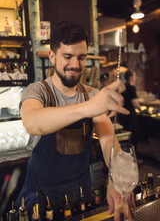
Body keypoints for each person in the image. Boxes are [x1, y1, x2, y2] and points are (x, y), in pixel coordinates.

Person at [16, 21, 132, 221]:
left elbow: (108, 140)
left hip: (81, 196)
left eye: (81, 57)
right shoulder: (37, 91)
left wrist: (117, 176)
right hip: (41, 201)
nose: (76, 65)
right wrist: (90, 107)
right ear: (52, 56)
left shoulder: (91, 95)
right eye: (67, 57)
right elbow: (33, 122)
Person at [118, 69, 141, 150]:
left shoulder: (124, 86)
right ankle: (135, 156)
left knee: (126, 135)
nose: (136, 77)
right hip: (130, 114)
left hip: (123, 114)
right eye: (135, 76)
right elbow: (135, 103)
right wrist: (140, 109)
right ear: (131, 77)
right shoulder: (131, 87)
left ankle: (126, 153)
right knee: (134, 135)